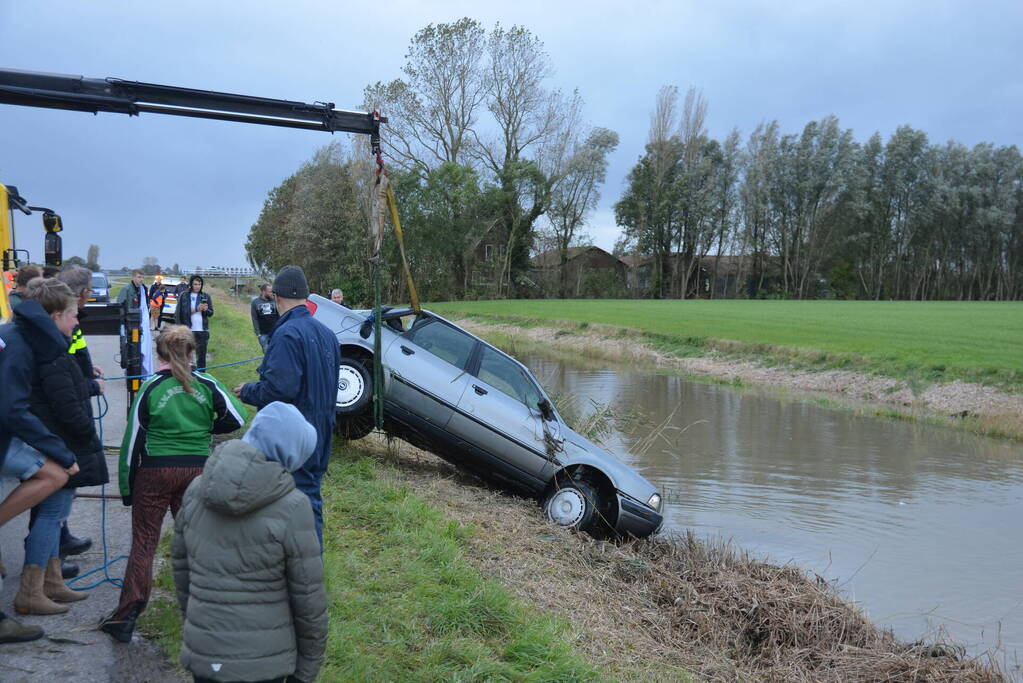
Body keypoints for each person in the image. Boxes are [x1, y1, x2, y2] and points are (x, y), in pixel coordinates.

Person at [100, 325, 246, 643]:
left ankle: (125, 619)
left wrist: (127, 488)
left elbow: (132, 443)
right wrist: (207, 426)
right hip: (196, 471)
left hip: (154, 473)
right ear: (192, 352)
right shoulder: (207, 383)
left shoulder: (151, 388)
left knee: (144, 545)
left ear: (159, 354)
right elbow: (237, 418)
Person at [172, 401, 326, 683]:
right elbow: (308, 600)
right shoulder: (293, 507)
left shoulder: (197, 489)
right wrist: (306, 670)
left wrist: (196, 630)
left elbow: (182, 573)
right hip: (263, 665)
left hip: (205, 655)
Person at [14, 277, 105, 614]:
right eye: (72, 316)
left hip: (56, 440)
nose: (77, 321)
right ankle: (32, 590)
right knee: (52, 515)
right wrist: (84, 436)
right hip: (61, 442)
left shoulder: (44, 344)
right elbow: (64, 404)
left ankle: (51, 581)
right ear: (54, 318)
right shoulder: (51, 352)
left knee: (55, 513)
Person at [235, 266, 340, 544]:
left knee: (289, 504)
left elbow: (279, 391)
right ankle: (308, 570)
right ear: (306, 298)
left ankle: (296, 573)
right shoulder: (329, 335)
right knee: (310, 500)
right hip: (322, 433)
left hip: (294, 438)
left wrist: (248, 391)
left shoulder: (286, 334)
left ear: (277, 298)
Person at [116, 269, 154, 376]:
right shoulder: (126, 290)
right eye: (138, 277)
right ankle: (130, 373)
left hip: (141, 325)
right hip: (129, 326)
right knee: (130, 351)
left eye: (142, 277)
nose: (141, 279)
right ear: (133, 277)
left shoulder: (144, 290)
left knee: (142, 350)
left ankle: (141, 372)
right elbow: (119, 307)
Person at [174, 275, 213, 370]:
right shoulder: (184, 295)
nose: (197, 286)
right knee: (186, 356)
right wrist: (197, 309)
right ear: (191, 284)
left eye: (199, 284)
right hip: (188, 330)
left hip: (202, 331)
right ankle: (185, 376)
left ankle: (201, 378)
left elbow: (211, 313)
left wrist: (205, 309)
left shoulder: (205, 296)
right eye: (195, 284)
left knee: (201, 358)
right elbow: (181, 312)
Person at [250, 283, 278, 352]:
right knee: (266, 353)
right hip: (263, 334)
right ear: (263, 292)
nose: (272, 293)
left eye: (272, 291)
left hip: (275, 332)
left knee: (276, 352)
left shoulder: (275, 300)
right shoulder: (255, 302)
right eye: (270, 292)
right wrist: (258, 334)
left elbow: (280, 315)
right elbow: (254, 318)